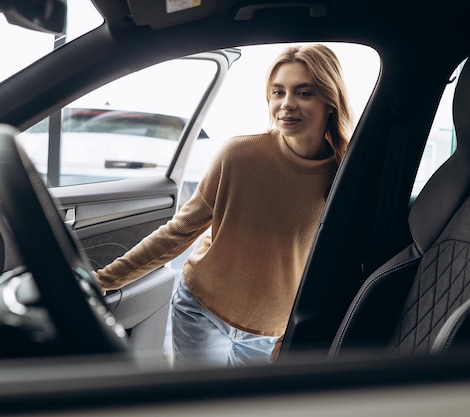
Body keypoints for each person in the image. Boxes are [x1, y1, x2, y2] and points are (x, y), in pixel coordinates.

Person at [95, 44, 354, 367]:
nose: (286, 105)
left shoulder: (345, 175)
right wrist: (104, 279)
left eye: (304, 93)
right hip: (201, 309)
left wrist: (291, 332)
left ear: (330, 100)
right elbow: (178, 232)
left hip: (270, 331)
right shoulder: (239, 156)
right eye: (278, 92)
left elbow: (327, 269)